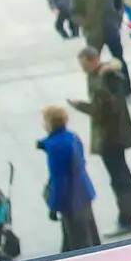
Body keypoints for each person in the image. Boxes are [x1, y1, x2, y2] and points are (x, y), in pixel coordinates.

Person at [70, 48, 131, 236]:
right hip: (112, 133)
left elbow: (105, 109)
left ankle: (126, 218)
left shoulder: (106, 78)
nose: (82, 68)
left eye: (83, 63)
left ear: (92, 60)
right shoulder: (98, 76)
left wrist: (81, 106)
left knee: (118, 177)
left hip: (111, 136)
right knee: (121, 173)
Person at [39, 105, 101, 253]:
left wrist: (54, 206)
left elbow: (58, 179)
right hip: (84, 191)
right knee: (89, 232)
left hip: (70, 198)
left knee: (78, 239)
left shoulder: (55, 147)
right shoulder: (72, 137)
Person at [71, 0, 131, 95]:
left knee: (119, 60)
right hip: (94, 34)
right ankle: (95, 93)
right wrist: (87, 24)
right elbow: (75, 13)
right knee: (92, 64)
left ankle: (127, 90)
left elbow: (118, 2)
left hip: (111, 30)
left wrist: (117, 18)